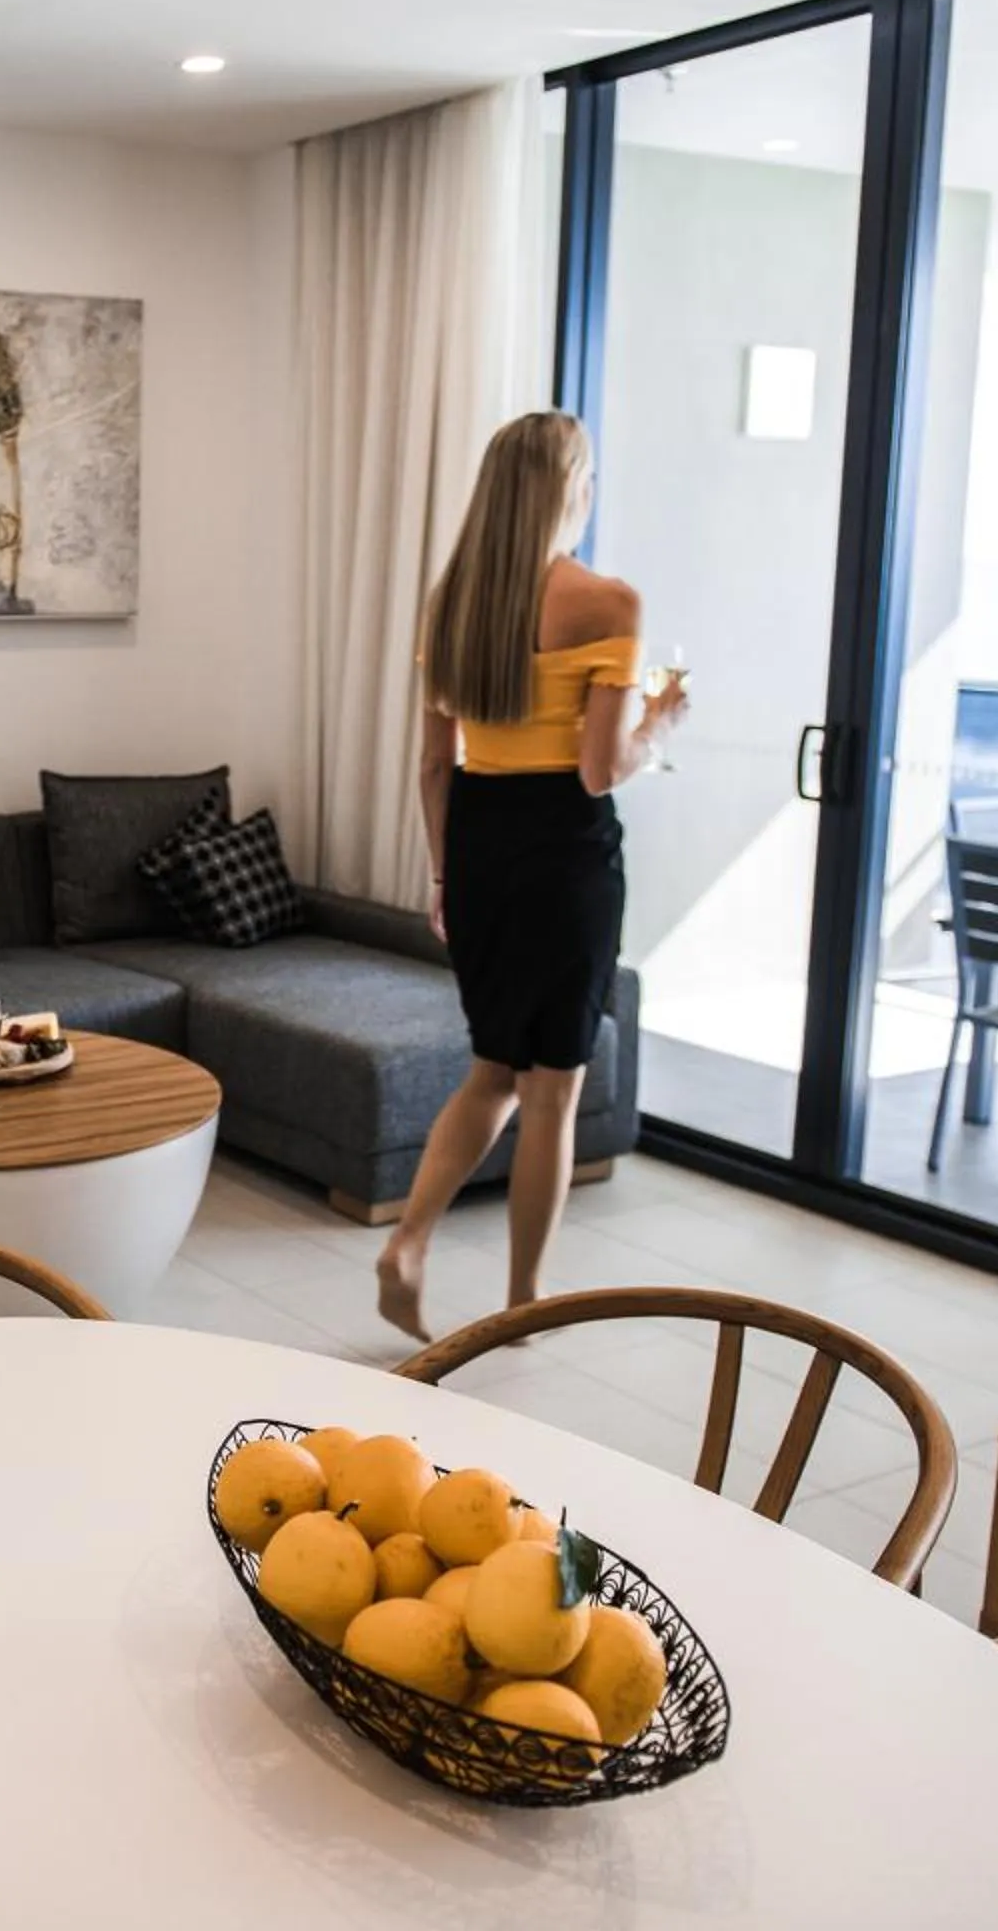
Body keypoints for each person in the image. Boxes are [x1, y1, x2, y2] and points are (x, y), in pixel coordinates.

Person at [375, 411, 686, 1343]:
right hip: (564, 852)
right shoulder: (608, 604)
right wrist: (661, 720)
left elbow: (435, 765)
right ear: (572, 488)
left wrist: (441, 875)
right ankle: (523, 1299)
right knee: (550, 1090)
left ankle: (409, 1242)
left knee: (490, 1072)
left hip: (476, 843)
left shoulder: (453, 600)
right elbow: (599, 769)